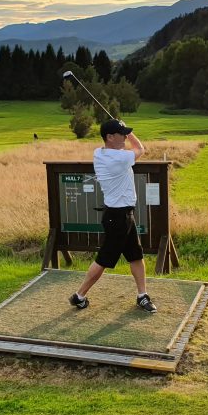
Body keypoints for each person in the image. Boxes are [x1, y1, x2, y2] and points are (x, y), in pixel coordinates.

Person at [69, 118, 157, 314]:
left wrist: (122, 128)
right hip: (118, 218)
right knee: (103, 260)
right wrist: (131, 132)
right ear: (109, 137)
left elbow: (128, 148)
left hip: (122, 214)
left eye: (125, 133)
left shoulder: (99, 153)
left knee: (135, 255)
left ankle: (142, 295)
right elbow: (140, 149)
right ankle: (79, 296)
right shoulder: (119, 158)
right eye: (121, 134)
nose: (125, 137)